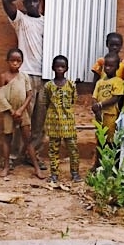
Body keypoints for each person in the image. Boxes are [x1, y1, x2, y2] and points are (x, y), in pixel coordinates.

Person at [2, 0, 47, 169]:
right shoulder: (20, 20)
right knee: (21, 120)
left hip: (44, 76)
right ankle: (13, 157)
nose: (32, 4)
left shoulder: (47, 22)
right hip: (26, 76)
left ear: (40, 2)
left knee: (39, 121)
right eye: (29, 1)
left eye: (35, 1)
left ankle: (32, 155)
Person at [0, 48, 45, 179]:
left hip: (22, 112)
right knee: (7, 138)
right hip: (9, 112)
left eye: (18, 61)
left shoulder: (24, 76)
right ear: (7, 61)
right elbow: (1, 96)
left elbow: (30, 95)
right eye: (12, 60)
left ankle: (36, 168)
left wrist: (21, 110)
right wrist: (12, 111)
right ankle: (7, 166)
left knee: (28, 139)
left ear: (22, 62)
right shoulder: (4, 77)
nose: (15, 63)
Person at [43, 55, 81, 183]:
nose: (60, 69)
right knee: (53, 149)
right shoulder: (48, 86)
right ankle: (54, 174)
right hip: (53, 122)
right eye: (57, 66)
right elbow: (46, 102)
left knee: (73, 148)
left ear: (67, 68)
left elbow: (73, 100)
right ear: (53, 68)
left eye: (62, 66)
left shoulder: (71, 85)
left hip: (68, 122)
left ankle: (75, 173)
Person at [91, 52, 124, 146]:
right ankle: (98, 160)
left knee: (110, 140)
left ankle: (110, 160)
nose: (108, 68)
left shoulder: (118, 81)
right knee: (100, 138)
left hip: (111, 115)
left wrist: (100, 105)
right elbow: (94, 97)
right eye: (106, 65)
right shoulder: (99, 82)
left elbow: (115, 98)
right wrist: (96, 108)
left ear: (117, 67)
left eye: (111, 66)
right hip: (99, 115)